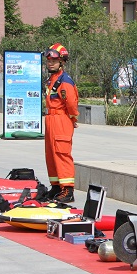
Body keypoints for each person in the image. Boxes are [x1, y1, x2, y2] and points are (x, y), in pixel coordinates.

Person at [44, 43, 79, 203]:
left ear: (62, 62)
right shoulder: (52, 79)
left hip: (61, 119)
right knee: (51, 154)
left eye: (54, 60)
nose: (50, 63)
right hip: (51, 119)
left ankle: (68, 190)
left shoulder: (65, 81)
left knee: (62, 153)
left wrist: (73, 118)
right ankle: (56, 186)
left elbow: (71, 103)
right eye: (49, 60)